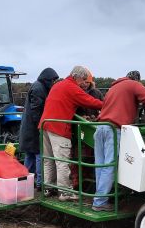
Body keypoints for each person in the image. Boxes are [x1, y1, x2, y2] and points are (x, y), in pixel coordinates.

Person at [92, 70, 145, 211]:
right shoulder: (133, 84)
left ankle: (99, 198)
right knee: (110, 166)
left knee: (100, 166)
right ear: (137, 80)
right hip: (113, 130)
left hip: (100, 127)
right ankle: (99, 203)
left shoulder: (113, 87)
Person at [39, 65, 103, 201]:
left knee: (48, 160)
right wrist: (109, 105)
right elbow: (90, 101)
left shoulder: (59, 85)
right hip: (59, 127)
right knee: (62, 161)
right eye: (84, 79)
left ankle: (48, 188)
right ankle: (65, 192)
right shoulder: (72, 87)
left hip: (45, 125)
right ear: (77, 77)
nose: (84, 83)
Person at [18, 67, 59, 188]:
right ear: (47, 79)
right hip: (34, 128)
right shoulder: (39, 88)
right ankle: (40, 183)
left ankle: (25, 180)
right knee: (39, 154)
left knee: (30, 154)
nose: (53, 83)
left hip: (29, 127)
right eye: (52, 80)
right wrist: (41, 125)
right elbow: (37, 109)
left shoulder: (37, 86)